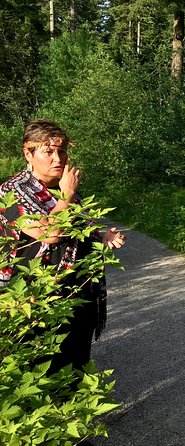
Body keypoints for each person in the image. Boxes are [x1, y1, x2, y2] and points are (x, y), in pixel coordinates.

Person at [0, 119, 126, 372]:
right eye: (48, 151)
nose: (58, 158)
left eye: (62, 151)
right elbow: (50, 234)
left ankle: (75, 409)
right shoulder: (11, 192)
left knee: (76, 354)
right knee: (40, 362)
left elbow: (77, 231)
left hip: (77, 288)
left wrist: (100, 237)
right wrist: (67, 196)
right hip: (34, 294)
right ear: (28, 154)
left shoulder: (65, 189)